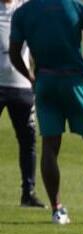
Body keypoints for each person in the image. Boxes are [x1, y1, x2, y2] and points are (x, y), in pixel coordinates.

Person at [9, 0, 83, 224]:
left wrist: (31, 78)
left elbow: (14, 53)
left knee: (50, 145)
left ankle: (57, 211)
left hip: (45, 82)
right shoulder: (76, 7)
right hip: (75, 81)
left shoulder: (23, 12)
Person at [0, 0, 42, 207]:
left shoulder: (26, 7)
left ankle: (28, 192)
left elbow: (62, 12)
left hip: (22, 86)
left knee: (28, 141)